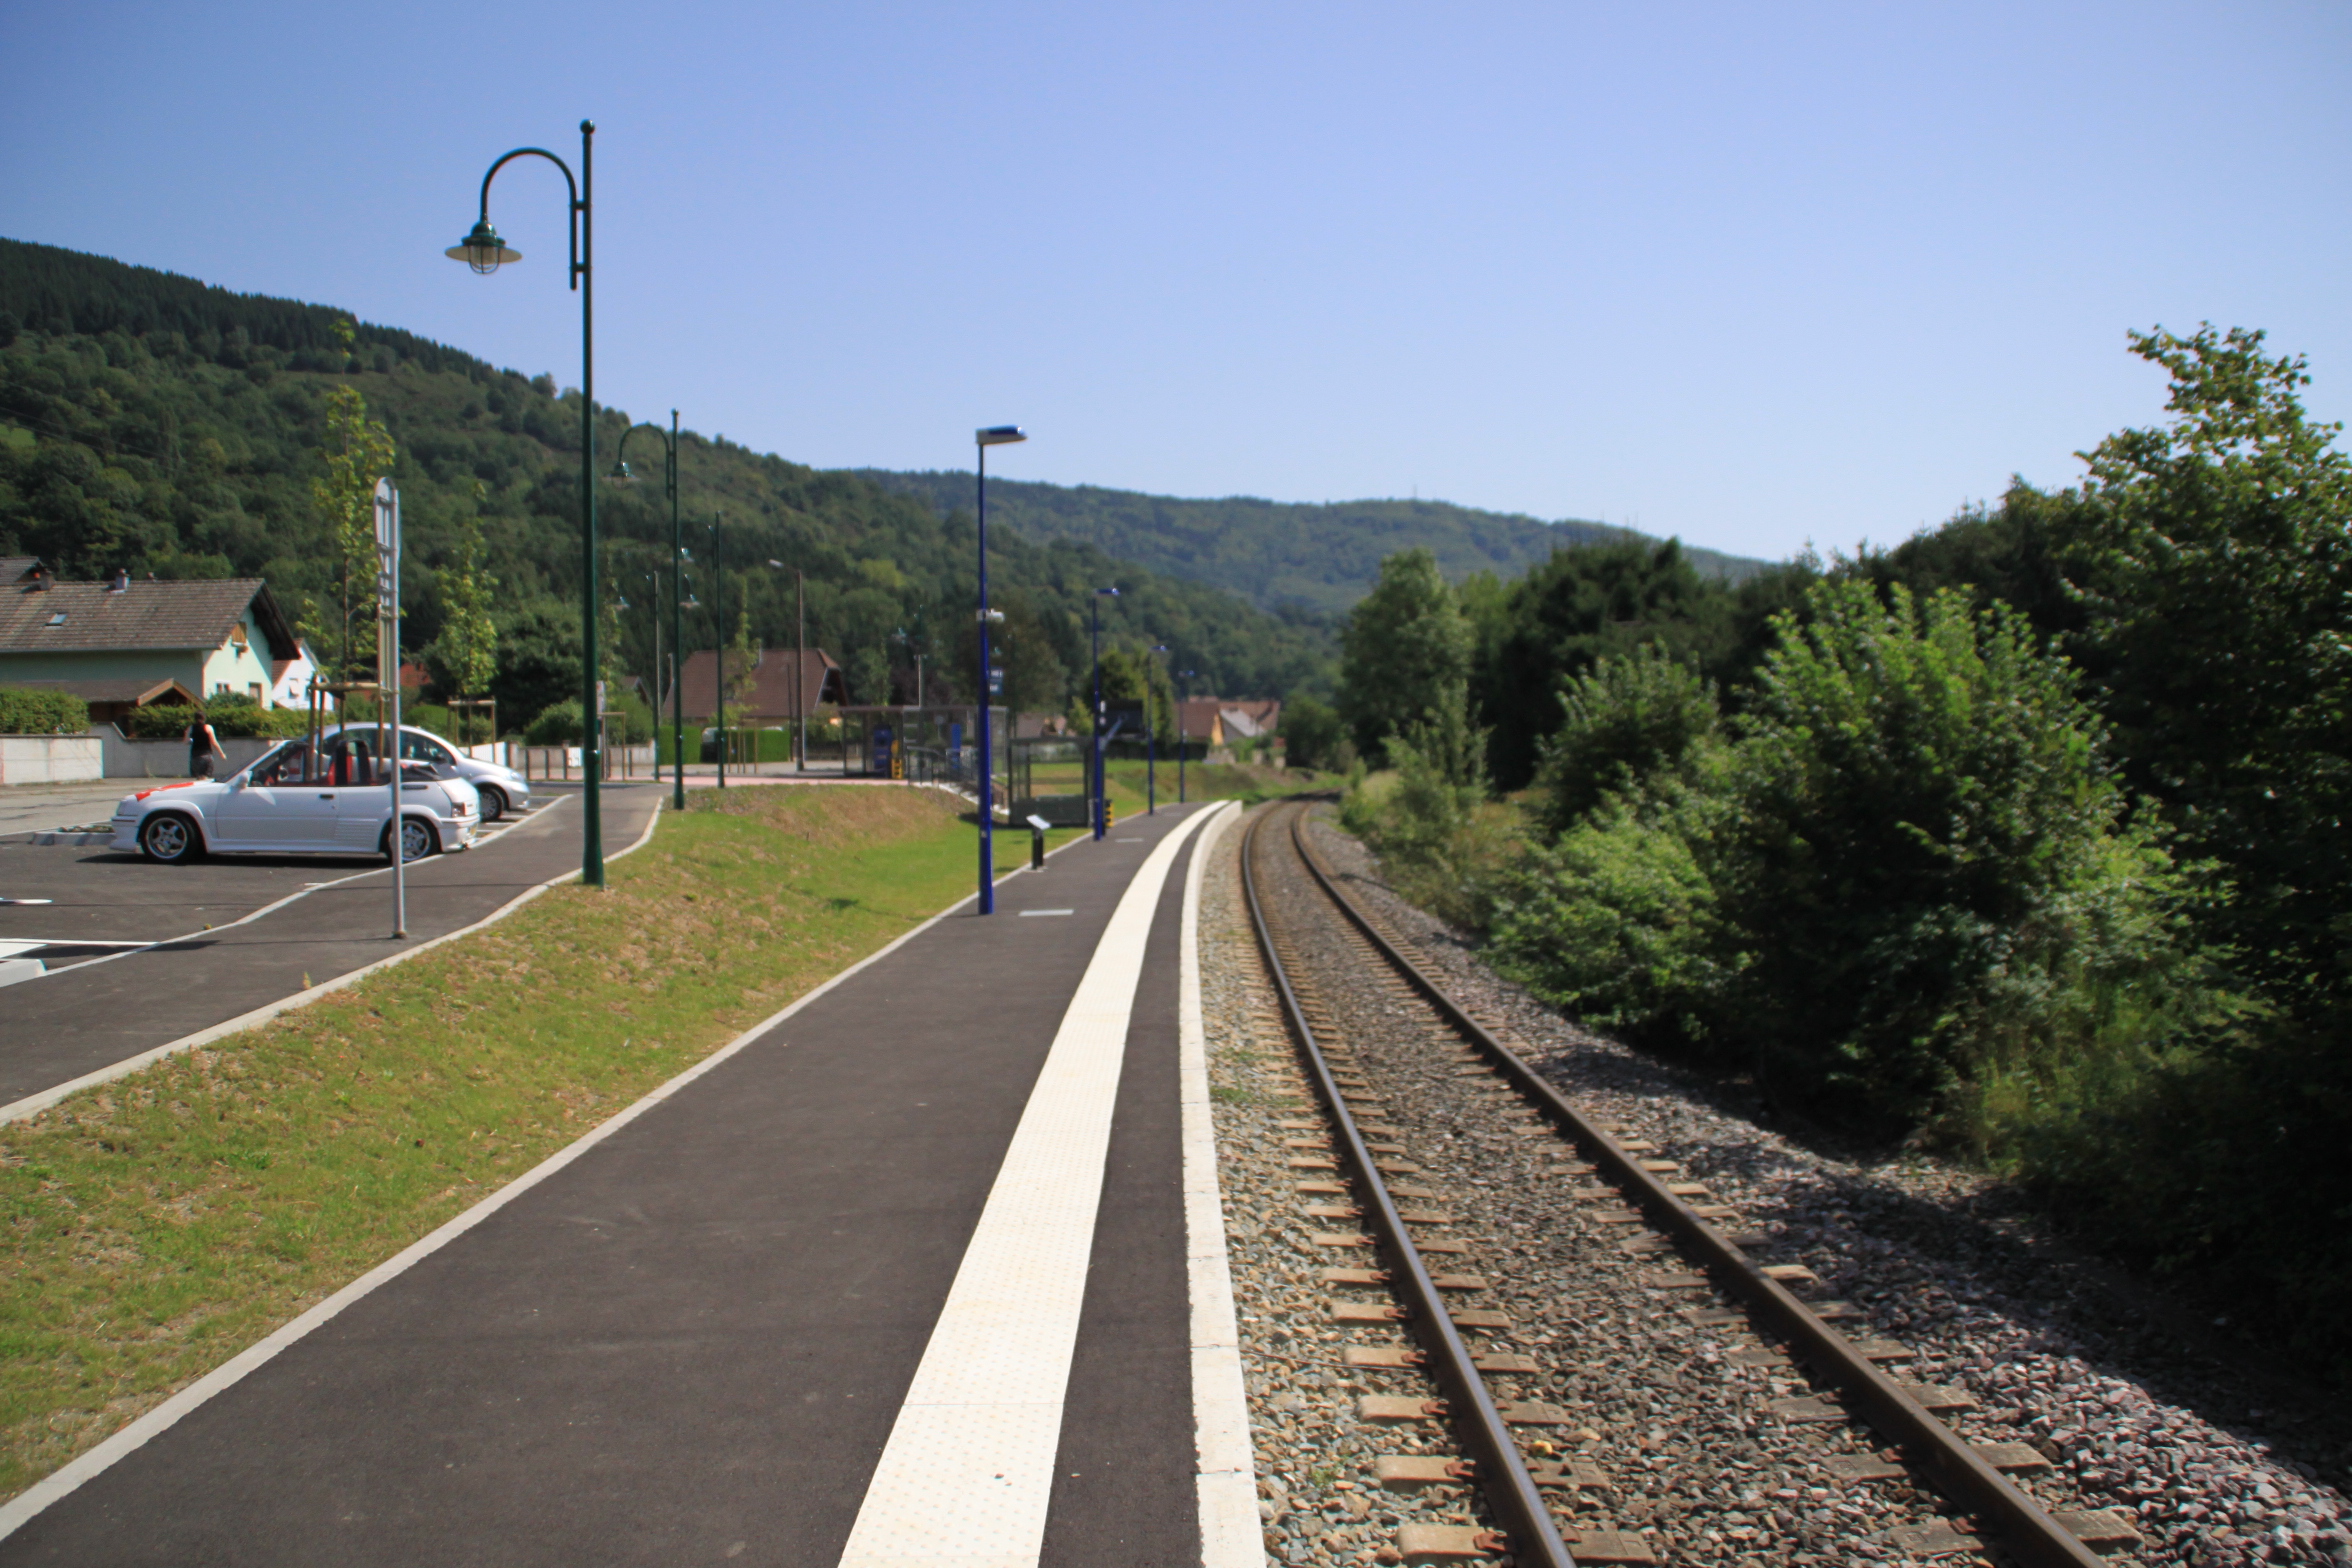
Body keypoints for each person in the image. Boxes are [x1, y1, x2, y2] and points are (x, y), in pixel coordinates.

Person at [185, 706, 225, 779]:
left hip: (195, 756)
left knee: (197, 778)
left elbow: (185, 741)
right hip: (207, 755)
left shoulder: (190, 728)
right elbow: (214, 742)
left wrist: (191, 741)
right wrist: (221, 753)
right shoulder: (208, 727)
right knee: (206, 777)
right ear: (204, 718)